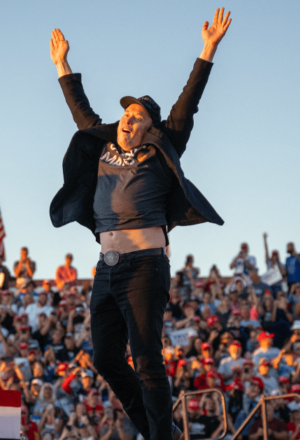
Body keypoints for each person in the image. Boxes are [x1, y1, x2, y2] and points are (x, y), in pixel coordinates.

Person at [48, 8, 231, 440]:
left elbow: (189, 102)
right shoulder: (103, 143)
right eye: (126, 114)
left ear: (150, 126)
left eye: (137, 116)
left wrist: (207, 49)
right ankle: (153, 430)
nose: (128, 119)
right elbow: (81, 111)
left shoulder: (161, 149)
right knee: (106, 359)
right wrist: (62, 66)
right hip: (106, 267)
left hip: (145, 265)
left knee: (147, 358)